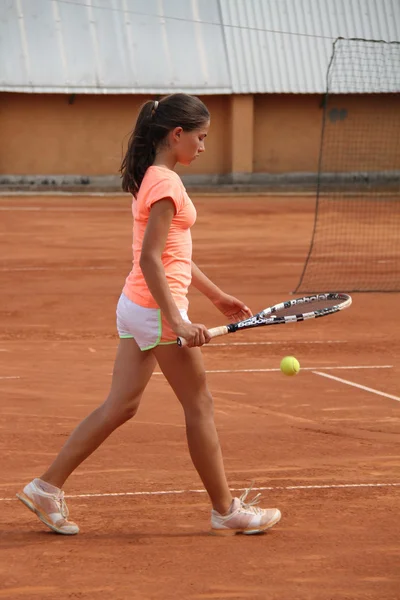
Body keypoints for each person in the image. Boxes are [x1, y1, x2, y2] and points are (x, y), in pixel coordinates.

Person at [17, 93, 281, 536]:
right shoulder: (166, 184)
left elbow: (173, 254)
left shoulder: (153, 178)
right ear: (176, 134)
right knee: (200, 404)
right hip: (156, 310)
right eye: (199, 138)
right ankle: (225, 509)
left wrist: (215, 297)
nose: (203, 146)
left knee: (120, 405)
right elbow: (152, 261)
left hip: (137, 306)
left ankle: (45, 488)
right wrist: (176, 320)